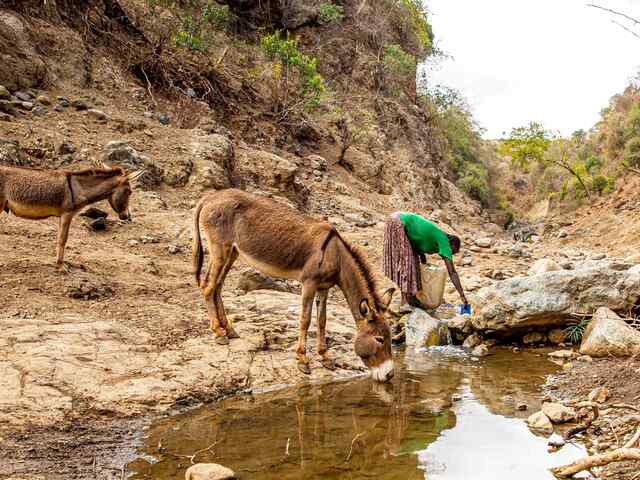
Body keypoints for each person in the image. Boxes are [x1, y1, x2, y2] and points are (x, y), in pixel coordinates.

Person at [383, 211, 468, 310]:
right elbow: (452, 272)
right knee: (408, 264)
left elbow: (419, 253)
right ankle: (406, 302)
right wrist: (462, 295)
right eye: (454, 251)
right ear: (452, 244)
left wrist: (424, 269)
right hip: (398, 222)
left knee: (412, 262)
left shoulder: (435, 239)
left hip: (395, 220)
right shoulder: (444, 240)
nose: (451, 254)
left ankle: (411, 299)